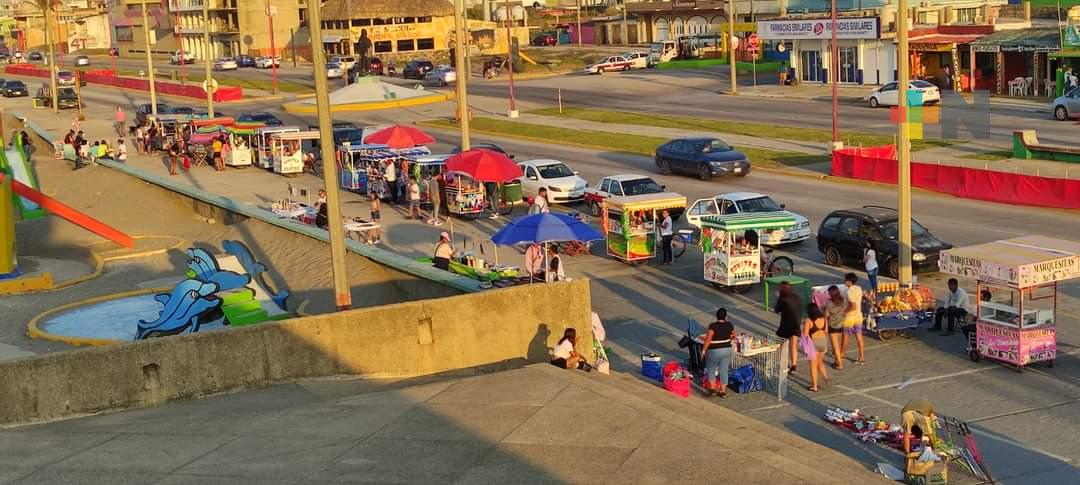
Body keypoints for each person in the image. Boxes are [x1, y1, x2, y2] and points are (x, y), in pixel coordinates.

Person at [700, 307, 735, 398]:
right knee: (724, 370)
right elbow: (733, 335)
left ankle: (712, 388)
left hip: (714, 350)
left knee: (711, 368)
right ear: (726, 316)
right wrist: (727, 339)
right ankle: (723, 391)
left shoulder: (713, 326)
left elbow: (708, 339)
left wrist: (703, 350)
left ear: (716, 316)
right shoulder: (729, 324)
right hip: (727, 349)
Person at [774, 281, 802, 373]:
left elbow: (776, 310)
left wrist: (778, 298)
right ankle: (794, 365)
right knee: (793, 345)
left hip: (786, 325)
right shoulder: (797, 297)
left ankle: (784, 363)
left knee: (783, 344)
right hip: (796, 323)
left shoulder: (782, 300)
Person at [841, 273, 867, 366]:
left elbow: (853, 306)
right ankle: (862, 357)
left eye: (845, 280)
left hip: (849, 317)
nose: (844, 281)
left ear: (849, 281)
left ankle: (842, 354)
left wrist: (844, 312)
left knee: (845, 336)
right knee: (859, 336)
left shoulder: (849, 292)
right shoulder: (859, 288)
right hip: (858, 316)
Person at [802, 303, 830, 392]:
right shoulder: (824, 319)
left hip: (813, 343)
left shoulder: (809, 321)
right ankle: (826, 377)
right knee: (820, 362)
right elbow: (826, 331)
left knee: (813, 366)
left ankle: (814, 386)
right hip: (822, 341)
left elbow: (805, 334)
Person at [824, 285, 847, 370]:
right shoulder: (843, 301)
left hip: (832, 325)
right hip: (841, 324)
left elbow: (826, 315)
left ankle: (840, 364)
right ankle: (837, 360)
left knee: (835, 345)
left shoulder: (829, 304)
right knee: (837, 343)